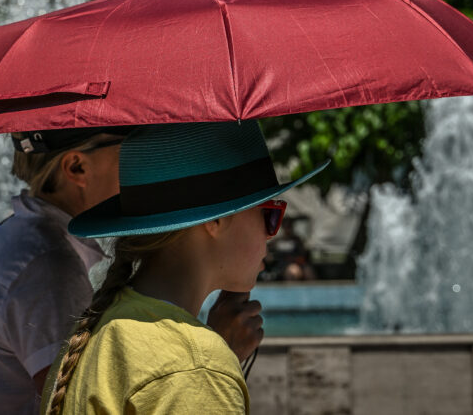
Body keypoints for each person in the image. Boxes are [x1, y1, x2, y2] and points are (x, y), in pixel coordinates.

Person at [0, 127, 265, 415]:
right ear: (76, 166)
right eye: (129, 148)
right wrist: (213, 357)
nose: (140, 162)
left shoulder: (25, 246)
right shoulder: (48, 267)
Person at [41, 121, 328, 415]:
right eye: (269, 214)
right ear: (215, 220)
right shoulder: (191, 368)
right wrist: (209, 366)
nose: (272, 233)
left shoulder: (103, 327)